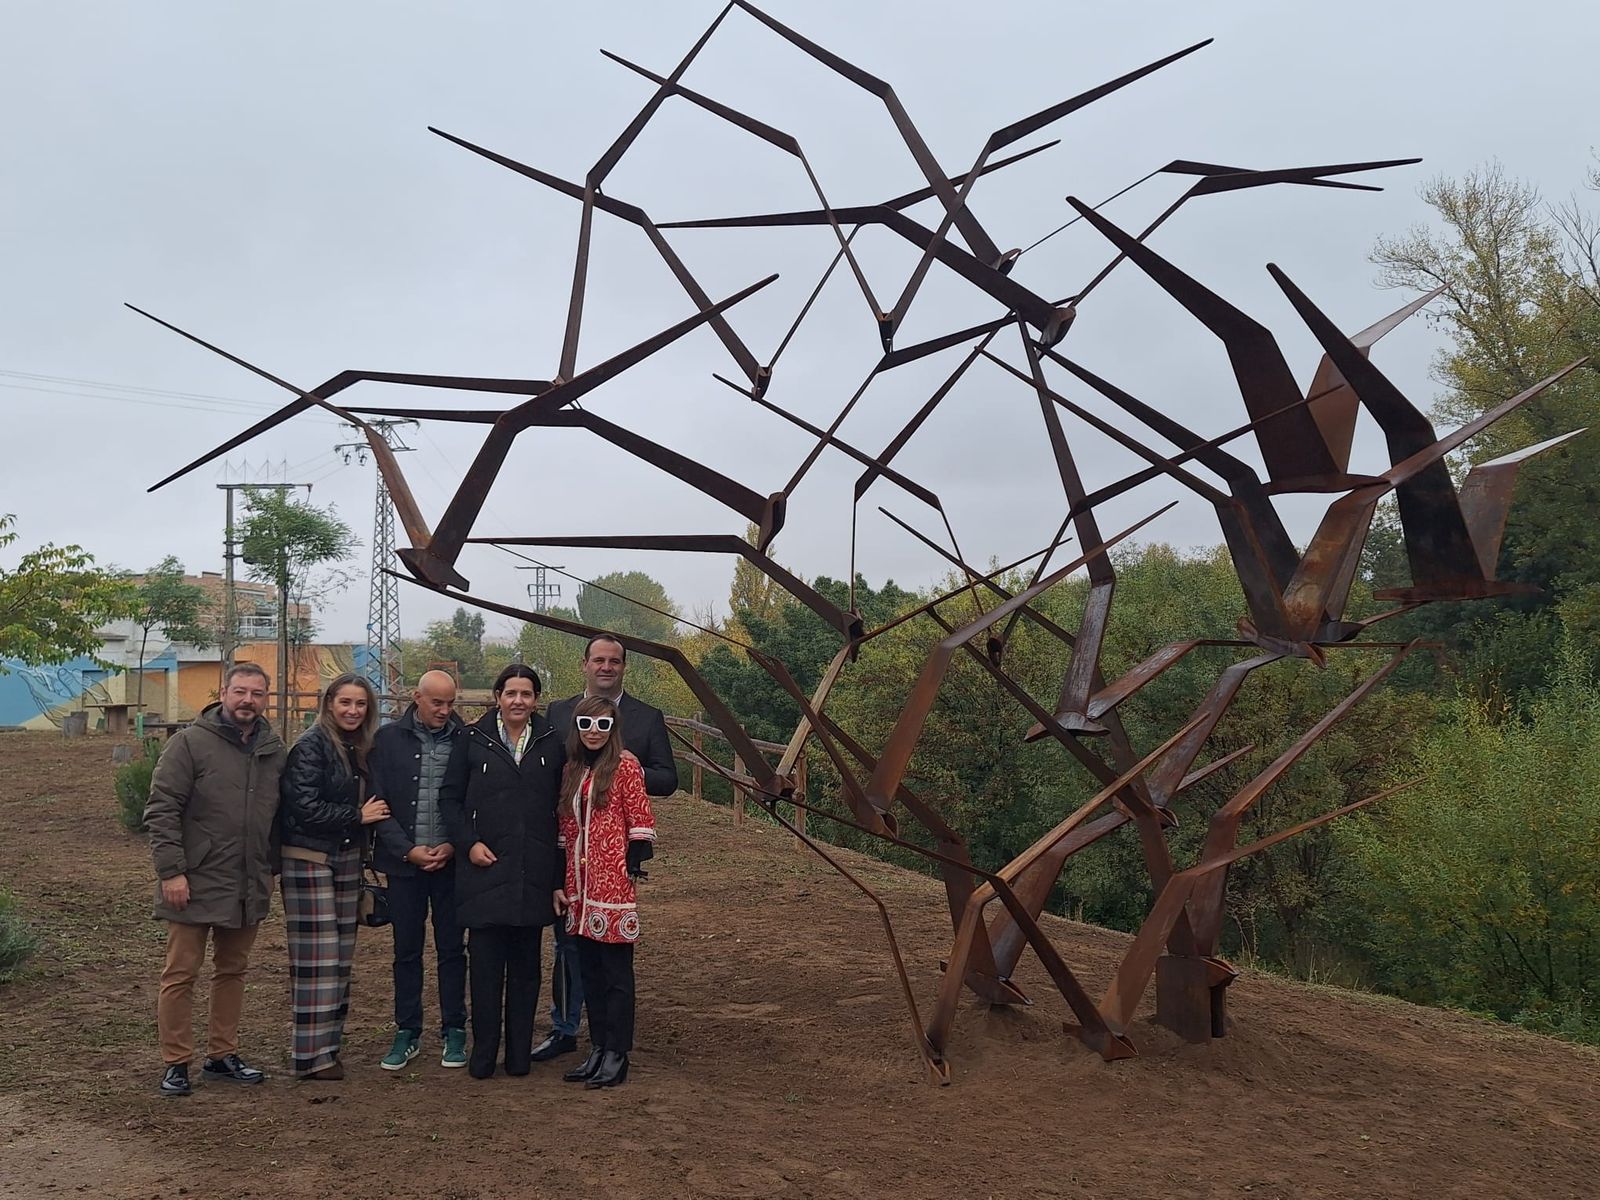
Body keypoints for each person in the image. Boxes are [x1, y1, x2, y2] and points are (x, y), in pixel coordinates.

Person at [145, 662, 287, 1098]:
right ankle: (176, 1062)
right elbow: (162, 808)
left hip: (247, 881)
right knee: (181, 973)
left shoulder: (273, 749)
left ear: (266, 698)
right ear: (223, 692)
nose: (248, 701)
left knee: (233, 970)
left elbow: (281, 814)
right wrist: (172, 871)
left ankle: (222, 1055)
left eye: (257, 694)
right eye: (240, 691)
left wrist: (271, 864)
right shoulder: (189, 744)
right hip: (192, 880)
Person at [537, 633, 677, 1062]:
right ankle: (567, 1028)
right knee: (568, 947)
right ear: (585, 664)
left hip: (612, 860)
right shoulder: (559, 713)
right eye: (598, 659)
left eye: (614, 661)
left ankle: (612, 1045)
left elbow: (667, 779)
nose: (606, 667)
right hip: (570, 849)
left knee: (611, 958)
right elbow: (548, 774)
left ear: (623, 667)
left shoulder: (645, 718)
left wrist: (617, 773)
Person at [440, 664, 566, 1079]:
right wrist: (468, 843)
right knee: (486, 970)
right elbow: (450, 799)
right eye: (510, 693)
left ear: (535, 700)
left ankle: (518, 1056)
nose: (517, 701)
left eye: (526, 694)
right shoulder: (471, 739)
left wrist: (556, 877)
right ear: (498, 697)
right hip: (484, 869)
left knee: (527, 971)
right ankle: (483, 1054)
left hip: (532, 870)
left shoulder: (551, 742)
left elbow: (562, 808)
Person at [279, 672, 389, 1080]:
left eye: (360, 704)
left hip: (345, 856)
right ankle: (309, 1056)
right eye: (345, 703)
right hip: (307, 856)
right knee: (317, 957)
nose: (353, 711)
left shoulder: (358, 747)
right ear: (329, 704)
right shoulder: (311, 746)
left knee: (341, 956)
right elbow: (304, 805)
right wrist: (357, 816)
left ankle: (328, 1048)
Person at [554, 696, 656, 1089]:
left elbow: (640, 820)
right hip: (578, 888)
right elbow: (566, 831)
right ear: (577, 728)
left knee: (615, 973)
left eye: (602, 725)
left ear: (613, 728)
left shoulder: (626, 766)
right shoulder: (572, 769)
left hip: (611, 887)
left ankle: (617, 1051)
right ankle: (597, 1046)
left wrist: (629, 864)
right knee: (589, 972)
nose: (594, 733)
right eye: (586, 724)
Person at [368, 669, 467, 1070]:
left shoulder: (466, 739)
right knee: (405, 950)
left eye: (449, 704)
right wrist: (407, 851)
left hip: (451, 865)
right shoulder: (388, 741)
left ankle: (454, 1028)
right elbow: (377, 802)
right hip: (404, 866)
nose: (444, 711)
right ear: (417, 698)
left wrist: (454, 844)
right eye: (436, 703)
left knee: (451, 950)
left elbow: (471, 801)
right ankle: (407, 1029)